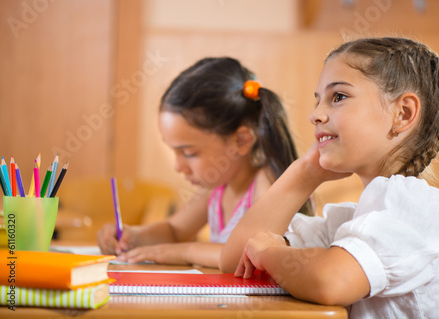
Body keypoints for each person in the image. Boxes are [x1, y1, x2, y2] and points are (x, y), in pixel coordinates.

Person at [221, 38, 439, 317]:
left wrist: (269, 253)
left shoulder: (417, 208)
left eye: (338, 97)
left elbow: (331, 281)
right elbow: (236, 262)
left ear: (403, 114)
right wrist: (305, 172)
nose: (314, 115)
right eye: (317, 101)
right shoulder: (352, 222)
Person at [97, 57, 313, 268]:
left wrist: (185, 251)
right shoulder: (216, 188)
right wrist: (132, 235)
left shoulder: (267, 183)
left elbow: (244, 255)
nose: (178, 166)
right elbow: (174, 231)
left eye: (189, 153)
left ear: (241, 140)